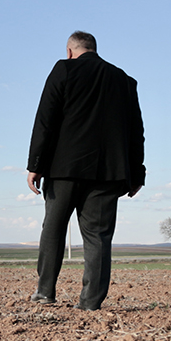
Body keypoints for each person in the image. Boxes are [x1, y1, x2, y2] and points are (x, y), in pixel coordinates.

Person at [26, 31, 145, 310]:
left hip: (63, 169)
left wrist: (35, 164)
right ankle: (90, 302)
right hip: (108, 173)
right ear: (94, 49)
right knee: (98, 237)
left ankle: (45, 292)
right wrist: (137, 173)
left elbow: (45, 118)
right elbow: (136, 131)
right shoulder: (124, 80)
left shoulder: (63, 69)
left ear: (69, 51)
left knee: (53, 229)